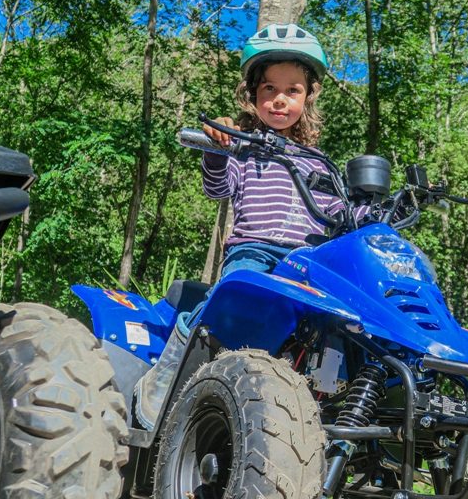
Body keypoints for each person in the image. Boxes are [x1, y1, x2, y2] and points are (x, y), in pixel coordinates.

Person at [135, 23, 356, 430]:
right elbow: (217, 187)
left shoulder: (318, 161)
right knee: (228, 298)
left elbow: (338, 216)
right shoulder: (242, 146)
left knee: (347, 322)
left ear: (308, 97)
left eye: (292, 90)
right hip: (254, 250)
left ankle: (331, 416)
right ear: (252, 93)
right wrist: (219, 149)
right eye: (269, 89)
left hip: (305, 263)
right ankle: (163, 381)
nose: (279, 100)